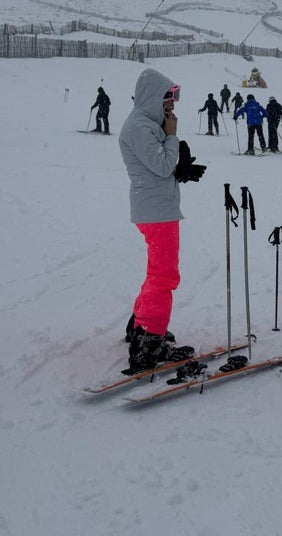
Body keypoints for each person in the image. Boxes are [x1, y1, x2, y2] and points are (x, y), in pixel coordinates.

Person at [119, 68, 205, 373]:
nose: (172, 104)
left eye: (174, 98)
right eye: (168, 98)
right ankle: (150, 342)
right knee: (165, 276)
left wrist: (180, 168)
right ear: (153, 97)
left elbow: (163, 167)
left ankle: (142, 327)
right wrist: (172, 138)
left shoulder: (144, 123)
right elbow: (161, 165)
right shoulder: (141, 126)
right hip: (157, 212)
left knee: (157, 272)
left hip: (155, 207)